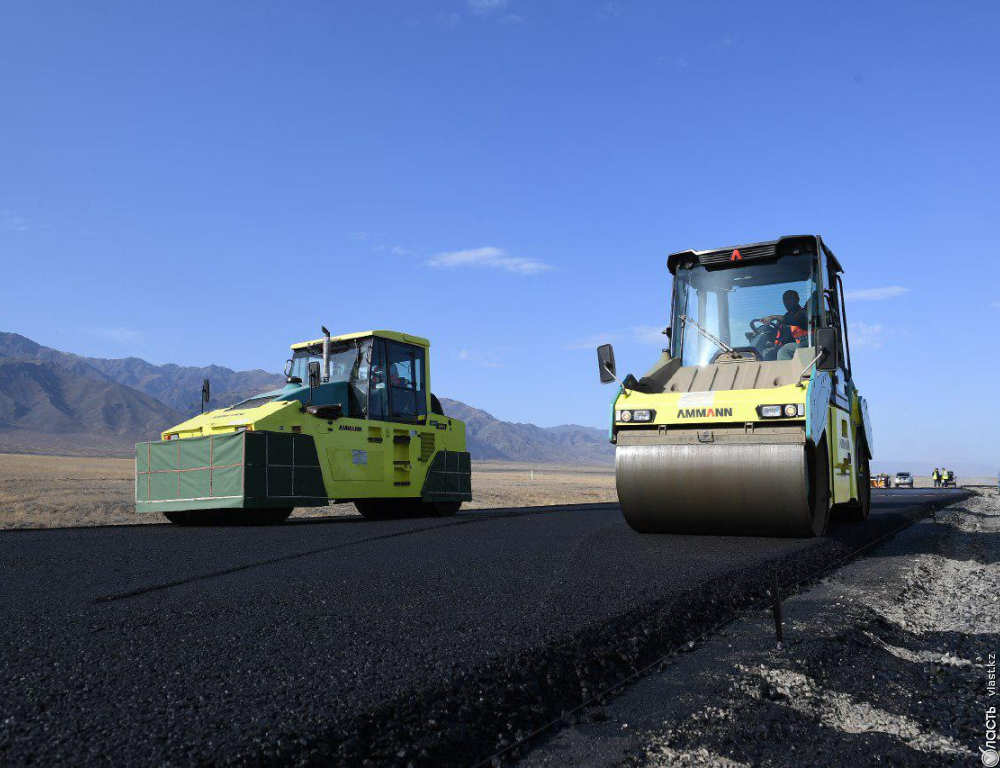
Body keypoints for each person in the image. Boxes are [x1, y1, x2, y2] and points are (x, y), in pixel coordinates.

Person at [762, 290, 810, 361]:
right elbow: (775, 334)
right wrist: (760, 333)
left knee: (783, 350)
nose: (787, 301)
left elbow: (795, 320)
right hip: (789, 346)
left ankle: (786, 372)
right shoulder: (783, 320)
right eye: (785, 299)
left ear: (797, 299)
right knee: (766, 352)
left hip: (806, 344)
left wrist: (774, 317)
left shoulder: (804, 313)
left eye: (790, 298)